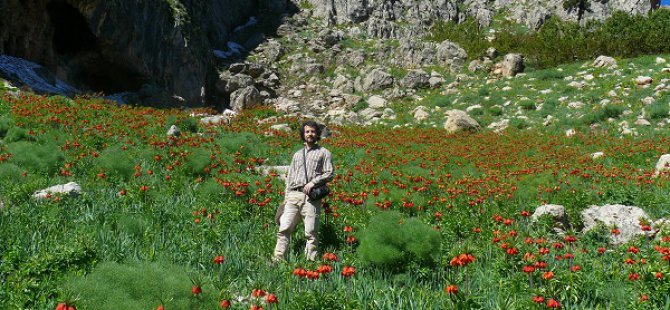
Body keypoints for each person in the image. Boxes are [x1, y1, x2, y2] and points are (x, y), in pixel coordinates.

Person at [273, 120, 334, 262]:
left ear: (317, 134)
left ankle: (310, 262)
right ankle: (278, 259)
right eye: (307, 131)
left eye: (313, 131)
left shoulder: (324, 153)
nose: (310, 134)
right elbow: (290, 178)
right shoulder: (297, 155)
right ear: (303, 134)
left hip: (311, 198)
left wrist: (313, 182)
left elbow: (329, 173)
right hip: (294, 195)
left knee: (311, 232)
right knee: (284, 228)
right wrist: (286, 197)